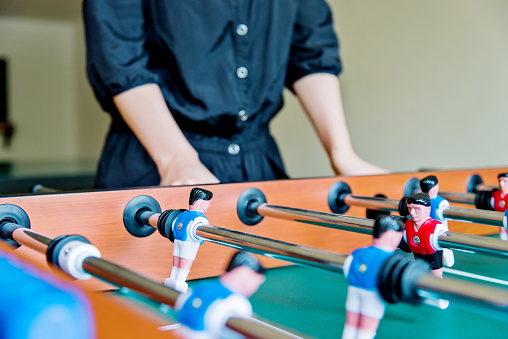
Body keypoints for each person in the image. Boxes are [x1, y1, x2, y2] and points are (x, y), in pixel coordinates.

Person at [82, 1, 387, 189]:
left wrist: (341, 154)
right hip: (153, 161)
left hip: (257, 164)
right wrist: (176, 160)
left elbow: (312, 50)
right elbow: (119, 57)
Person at [173, 251, 266, 339]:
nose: (255, 288)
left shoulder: (201, 286)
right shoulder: (237, 303)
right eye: (256, 282)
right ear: (244, 274)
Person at [342, 215, 404, 339]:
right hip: (373, 295)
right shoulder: (391, 259)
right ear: (392, 237)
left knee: (350, 325)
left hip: (354, 290)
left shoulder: (359, 251)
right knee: (367, 329)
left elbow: (347, 269)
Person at [164, 187, 213, 293]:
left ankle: (172, 281)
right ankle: (180, 284)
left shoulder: (182, 214)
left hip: (178, 241)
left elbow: (173, 226)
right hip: (189, 244)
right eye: (208, 203)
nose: (209, 206)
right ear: (200, 203)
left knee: (176, 263)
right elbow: (203, 237)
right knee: (184, 266)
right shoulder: (201, 219)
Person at [402, 192, 449, 278]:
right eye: (409, 208)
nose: (412, 213)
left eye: (417, 209)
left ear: (428, 209)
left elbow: (447, 241)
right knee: (419, 277)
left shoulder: (436, 227)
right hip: (418, 256)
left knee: (436, 280)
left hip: (433, 258)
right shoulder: (408, 225)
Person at [419, 175, 454, 265]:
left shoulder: (419, 202)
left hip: (426, 231)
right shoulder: (442, 202)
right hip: (437, 231)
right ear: (435, 188)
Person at [491, 173, 508, 241]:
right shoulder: (496, 194)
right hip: (500, 220)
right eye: (500, 181)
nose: (501, 184)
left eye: (504, 181)